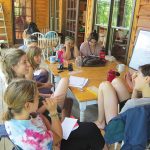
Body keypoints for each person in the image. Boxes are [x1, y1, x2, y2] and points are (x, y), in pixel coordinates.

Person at [3, 79, 105, 150]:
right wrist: (53, 112)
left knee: (90, 128)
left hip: (49, 139)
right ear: (27, 105)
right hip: (52, 143)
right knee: (91, 132)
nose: (39, 98)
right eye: (36, 96)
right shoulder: (35, 137)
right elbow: (59, 136)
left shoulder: (12, 116)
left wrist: (50, 130)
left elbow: (40, 117)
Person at [0, 49, 72, 120]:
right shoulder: (17, 89)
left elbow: (34, 94)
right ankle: (61, 120)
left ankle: (61, 117)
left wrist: (47, 96)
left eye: (27, 60)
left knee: (68, 100)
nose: (29, 64)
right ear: (13, 67)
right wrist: (50, 102)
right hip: (42, 113)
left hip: (43, 104)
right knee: (67, 93)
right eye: (24, 62)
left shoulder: (20, 80)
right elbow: (34, 115)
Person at [95, 64, 150, 129]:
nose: (134, 78)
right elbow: (133, 105)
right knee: (116, 81)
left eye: (137, 75)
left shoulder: (133, 103)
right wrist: (135, 88)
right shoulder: (142, 100)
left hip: (119, 127)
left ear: (147, 79)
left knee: (104, 85)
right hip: (132, 116)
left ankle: (101, 122)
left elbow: (121, 117)